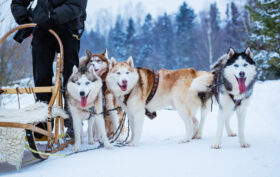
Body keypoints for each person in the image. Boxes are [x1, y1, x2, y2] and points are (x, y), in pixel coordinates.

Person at [11, 0, 88, 138]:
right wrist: (25, 20)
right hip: (41, 30)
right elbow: (17, 2)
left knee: (70, 75)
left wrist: (51, 18)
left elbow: (77, 5)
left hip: (68, 28)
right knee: (41, 76)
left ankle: (73, 118)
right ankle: (43, 121)